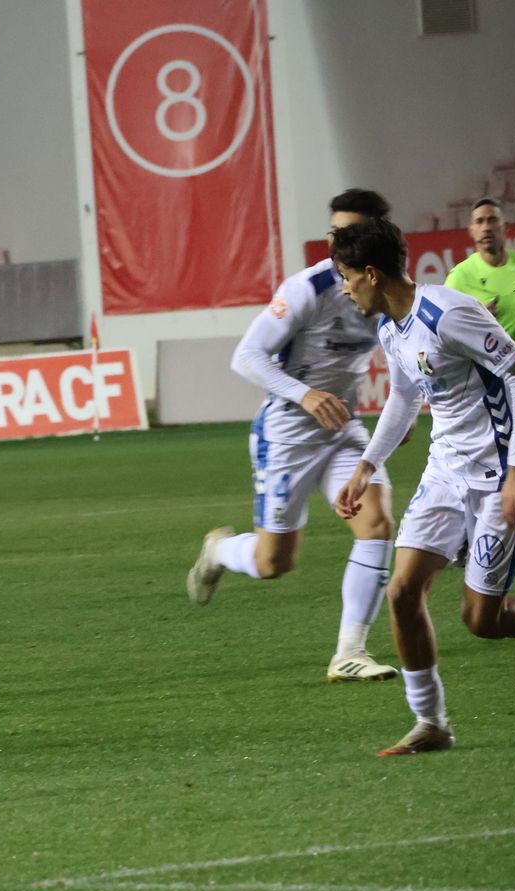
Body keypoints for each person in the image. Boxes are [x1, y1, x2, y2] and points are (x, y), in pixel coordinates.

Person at [331, 217, 515, 757]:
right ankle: (431, 722)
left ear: (371, 272)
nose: (344, 288)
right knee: (403, 591)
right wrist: (367, 464)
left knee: (483, 619)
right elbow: (406, 396)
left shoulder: (447, 312)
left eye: (346, 276)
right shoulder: (391, 324)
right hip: (444, 471)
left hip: (501, 473)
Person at [188, 189, 399, 682]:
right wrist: (304, 394)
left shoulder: (384, 289)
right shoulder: (308, 288)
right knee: (273, 562)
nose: (335, 244)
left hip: (343, 429)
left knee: (377, 524)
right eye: (333, 233)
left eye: (347, 235)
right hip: (286, 433)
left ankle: (350, 651)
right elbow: (246, 356)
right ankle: (218, 550)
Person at [444, 199, 515, 381]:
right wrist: (474, 321)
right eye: (480, 222)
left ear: (505, 228)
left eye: (492, 220)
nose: (487, 227)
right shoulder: (459, 278)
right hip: (476, 377)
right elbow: (442, 330)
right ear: (471, 231)